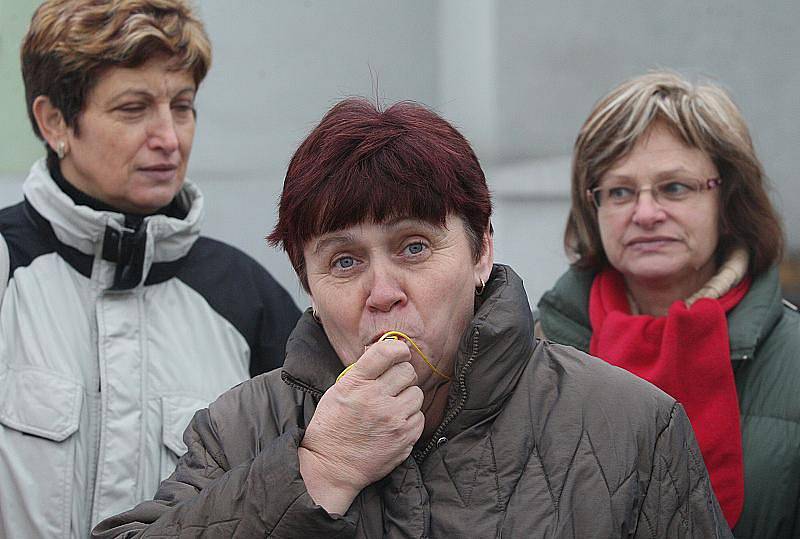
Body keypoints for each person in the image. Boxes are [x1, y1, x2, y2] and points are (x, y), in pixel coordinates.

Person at [93, 98, 731, 538]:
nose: (382, 291)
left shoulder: (633, 426)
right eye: (343, 262)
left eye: (414, 248)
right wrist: (316, 470)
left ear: (481, 250)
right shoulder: (241, 428)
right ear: (306, 284)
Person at [0, 1, 300, 537]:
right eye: (133, 109)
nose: (169, 138)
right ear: (54, 122)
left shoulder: (247, 298)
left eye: (182, 107)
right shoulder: (8, 268)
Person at [535, 71, 800, 538]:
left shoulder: (792, 357)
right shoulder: (526, 353)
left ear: (729, 199)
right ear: (591, 208)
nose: (646, 213)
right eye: (619, 192)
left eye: (675, 187)